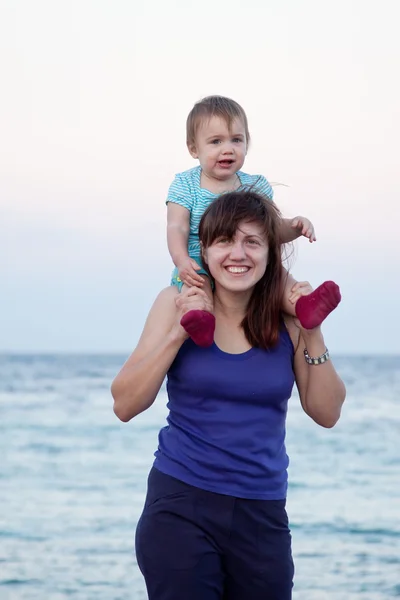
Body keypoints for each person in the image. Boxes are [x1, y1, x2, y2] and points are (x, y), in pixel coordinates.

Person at [111, 189, 346, 600]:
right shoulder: (174, 303)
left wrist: (311, 328)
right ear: (205, 248)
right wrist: (178, 331)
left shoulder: (289, 322)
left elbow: (326, 412)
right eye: (225, 240)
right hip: (181, 505)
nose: (238, 254)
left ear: (270, 252)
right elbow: (125, 404)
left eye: (252, 241)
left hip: (262, 512)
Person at [166, 95, 341, 348]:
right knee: (198, 290)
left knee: (277, 275)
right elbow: (177, 226)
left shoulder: (255, 185)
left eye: (236, 140)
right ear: (194, 148)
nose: (228, 149)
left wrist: (294, 226)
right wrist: (181, 260)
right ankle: (201, 322)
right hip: (197, 263)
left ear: (248, 143)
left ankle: (303, 306)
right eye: (216, 141)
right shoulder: (185, 184)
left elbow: (270, 230)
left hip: (246, 266)